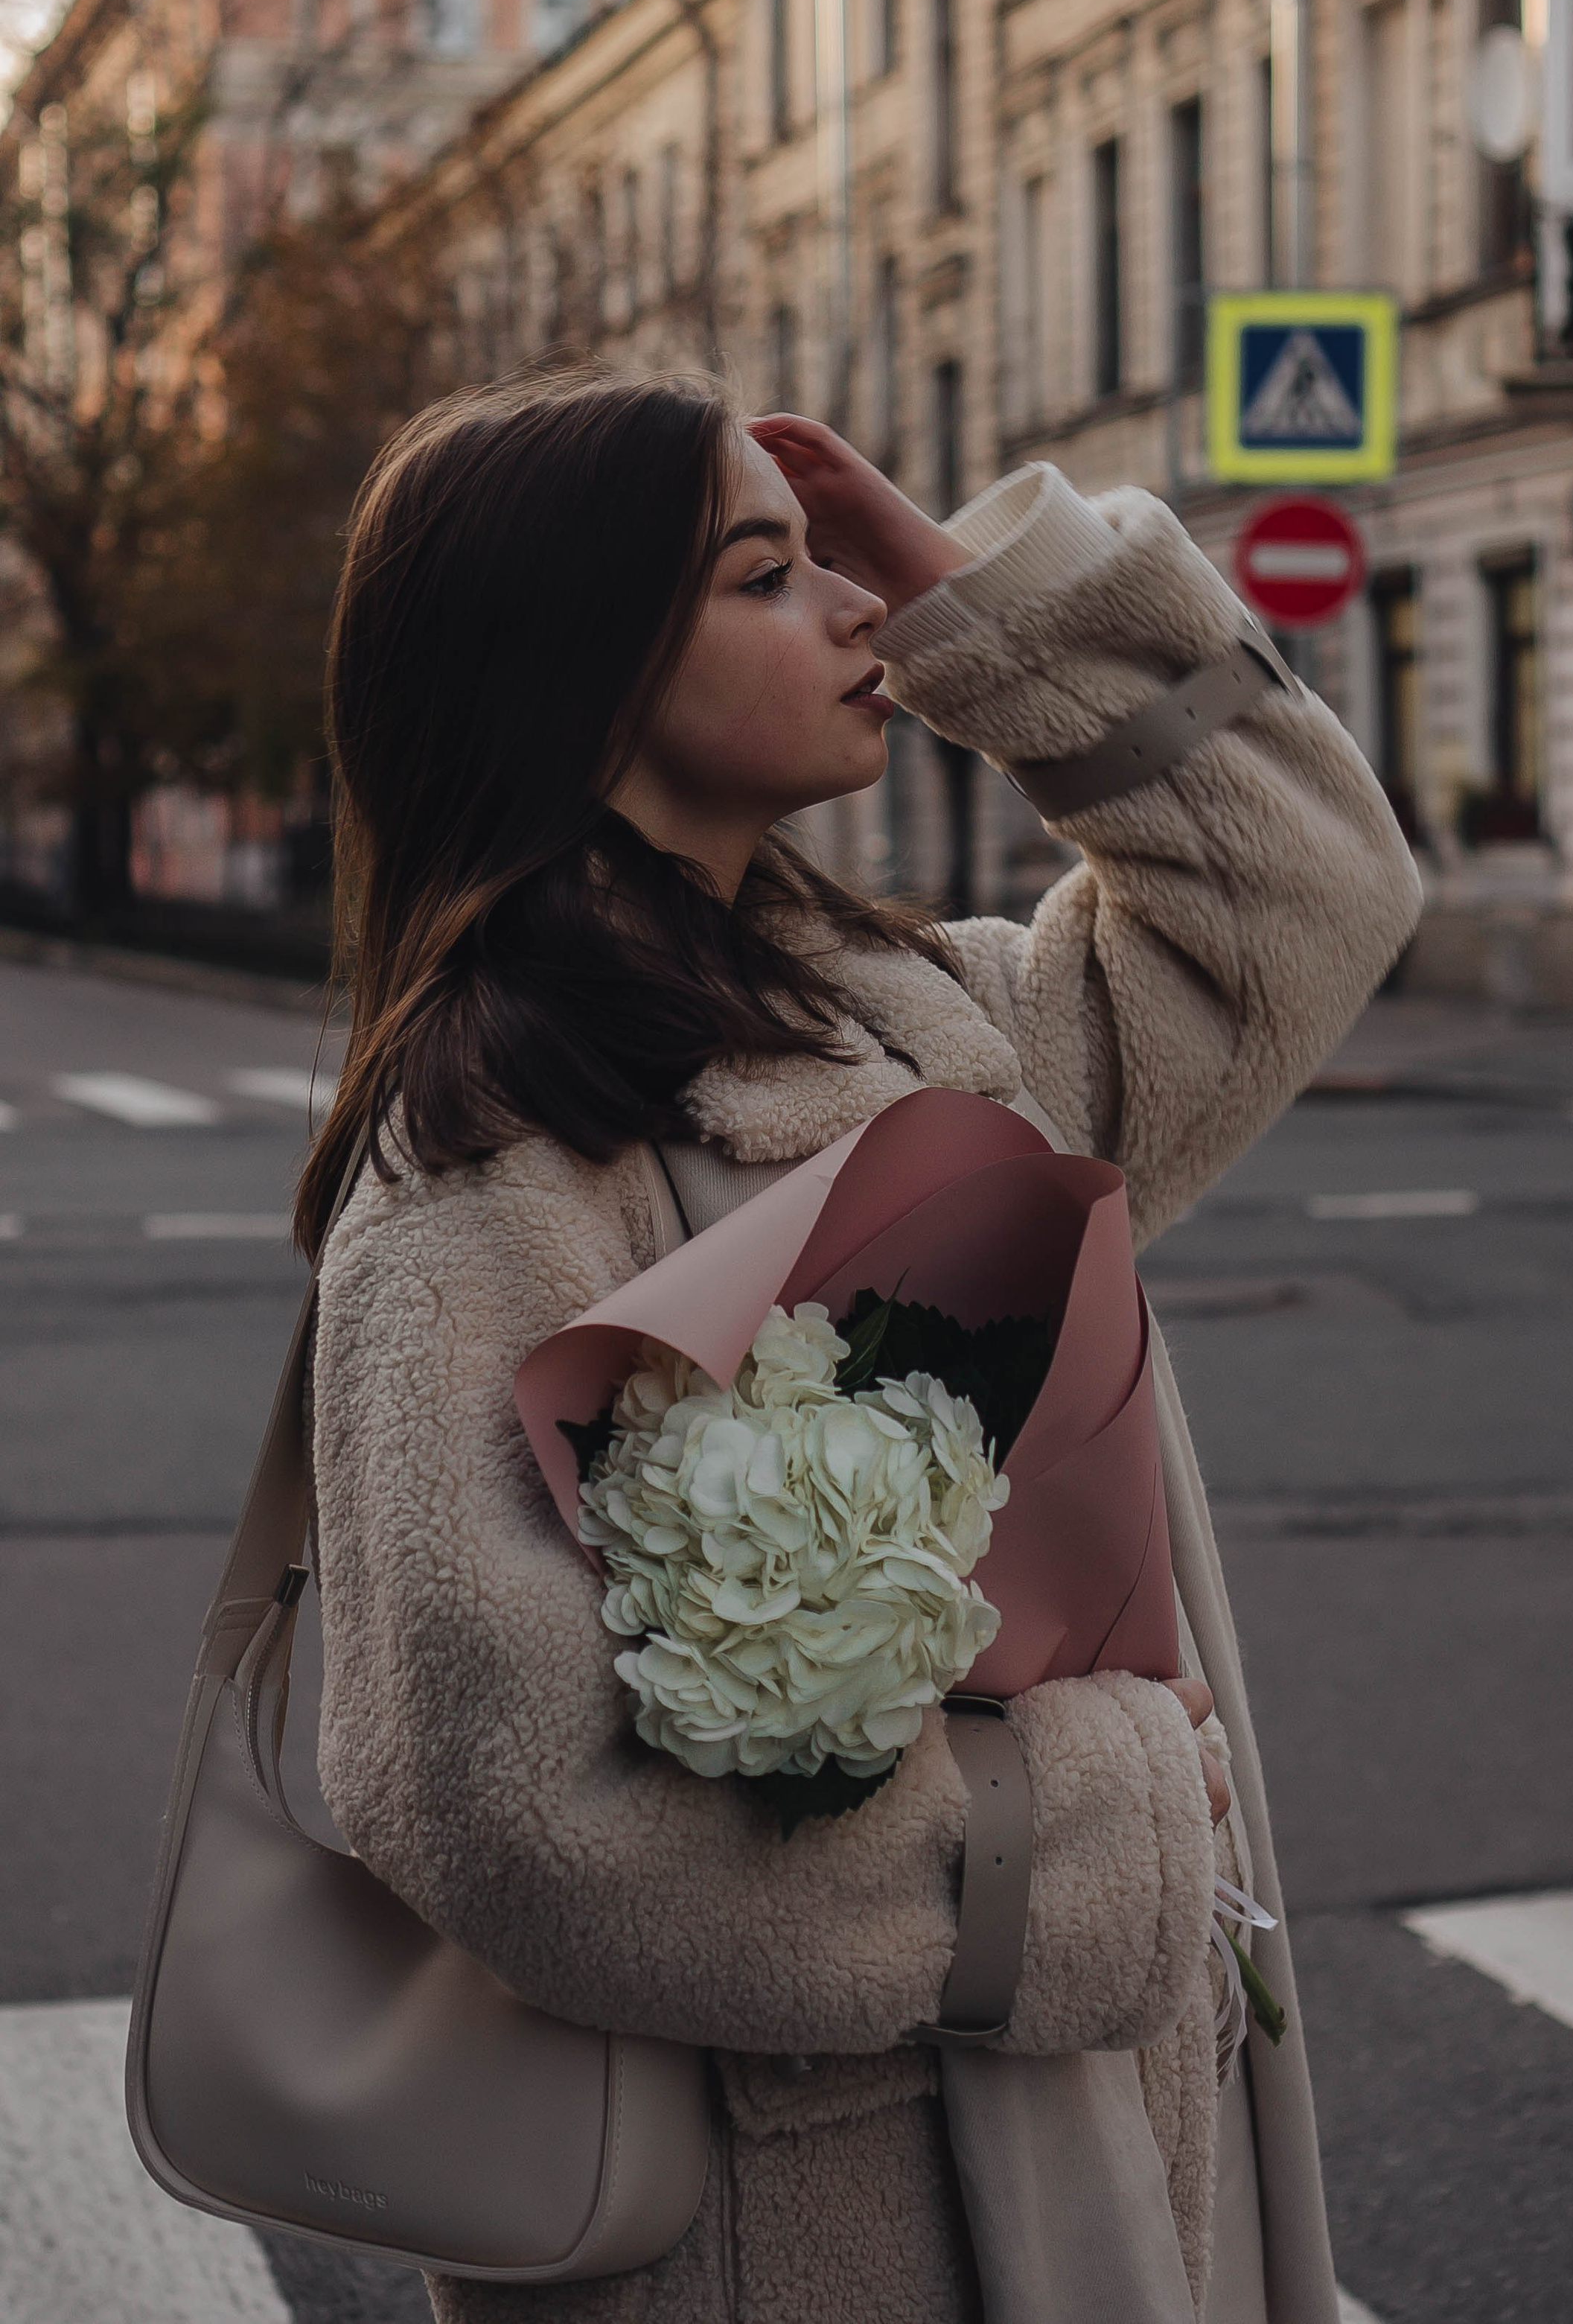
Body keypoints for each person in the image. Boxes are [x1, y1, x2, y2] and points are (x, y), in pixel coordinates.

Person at [298, 372, 1421, 2324]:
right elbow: (504, 1812)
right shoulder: (485, 1164)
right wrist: (1088, 1824)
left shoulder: (915, 1027)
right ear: (581, 658)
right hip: (793, 2226)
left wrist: (995, 594)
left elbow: (1306, 894)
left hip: (1075, 2155)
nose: (854, 617)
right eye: (766, 575)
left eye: (832, 569)